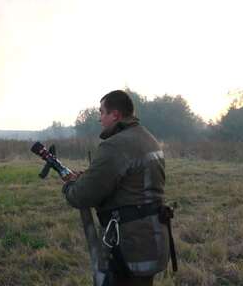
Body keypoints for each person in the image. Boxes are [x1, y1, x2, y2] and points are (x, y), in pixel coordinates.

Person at [62, 90, 171, 286]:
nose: (100, 119)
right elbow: (131, 183)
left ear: (115, 115)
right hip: (152, 238)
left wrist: (70, 185)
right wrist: (88, 177)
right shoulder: (148, 138)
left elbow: (82, 196)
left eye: (102, 112)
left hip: (130, 245)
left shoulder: (115, 145)